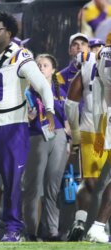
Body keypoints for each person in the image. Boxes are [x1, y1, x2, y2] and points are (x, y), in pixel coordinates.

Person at [0, 11, 55, 242]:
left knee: (12, 181)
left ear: (9, 32)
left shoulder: (20, 55)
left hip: (13, 127)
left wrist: (49, 110)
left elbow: (42, 85)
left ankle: (13, 228)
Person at [64, 37, 109, 242]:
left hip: (91, 127)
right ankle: (99, 225)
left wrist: (75, 132)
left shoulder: (87, 59)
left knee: (90, 182)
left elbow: (71, 104)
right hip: (103, 125)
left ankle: (81, 221)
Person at [23, 54, 69, 241]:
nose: (41, 68)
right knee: (34, 186)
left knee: (53, 186)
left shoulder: (60, 90)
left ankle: (52, 231)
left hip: (57, 136)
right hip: (36, 137)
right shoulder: (27, 92)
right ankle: (31, 231)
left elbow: (67, 115)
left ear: (53, 70)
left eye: (45, 65)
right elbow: (26, 117)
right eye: (38, 65)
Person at [87, 34, 111, 243]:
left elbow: (97, 97)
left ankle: (98, 225)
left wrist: (98, 129)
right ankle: (98, 225)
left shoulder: (102, 54)